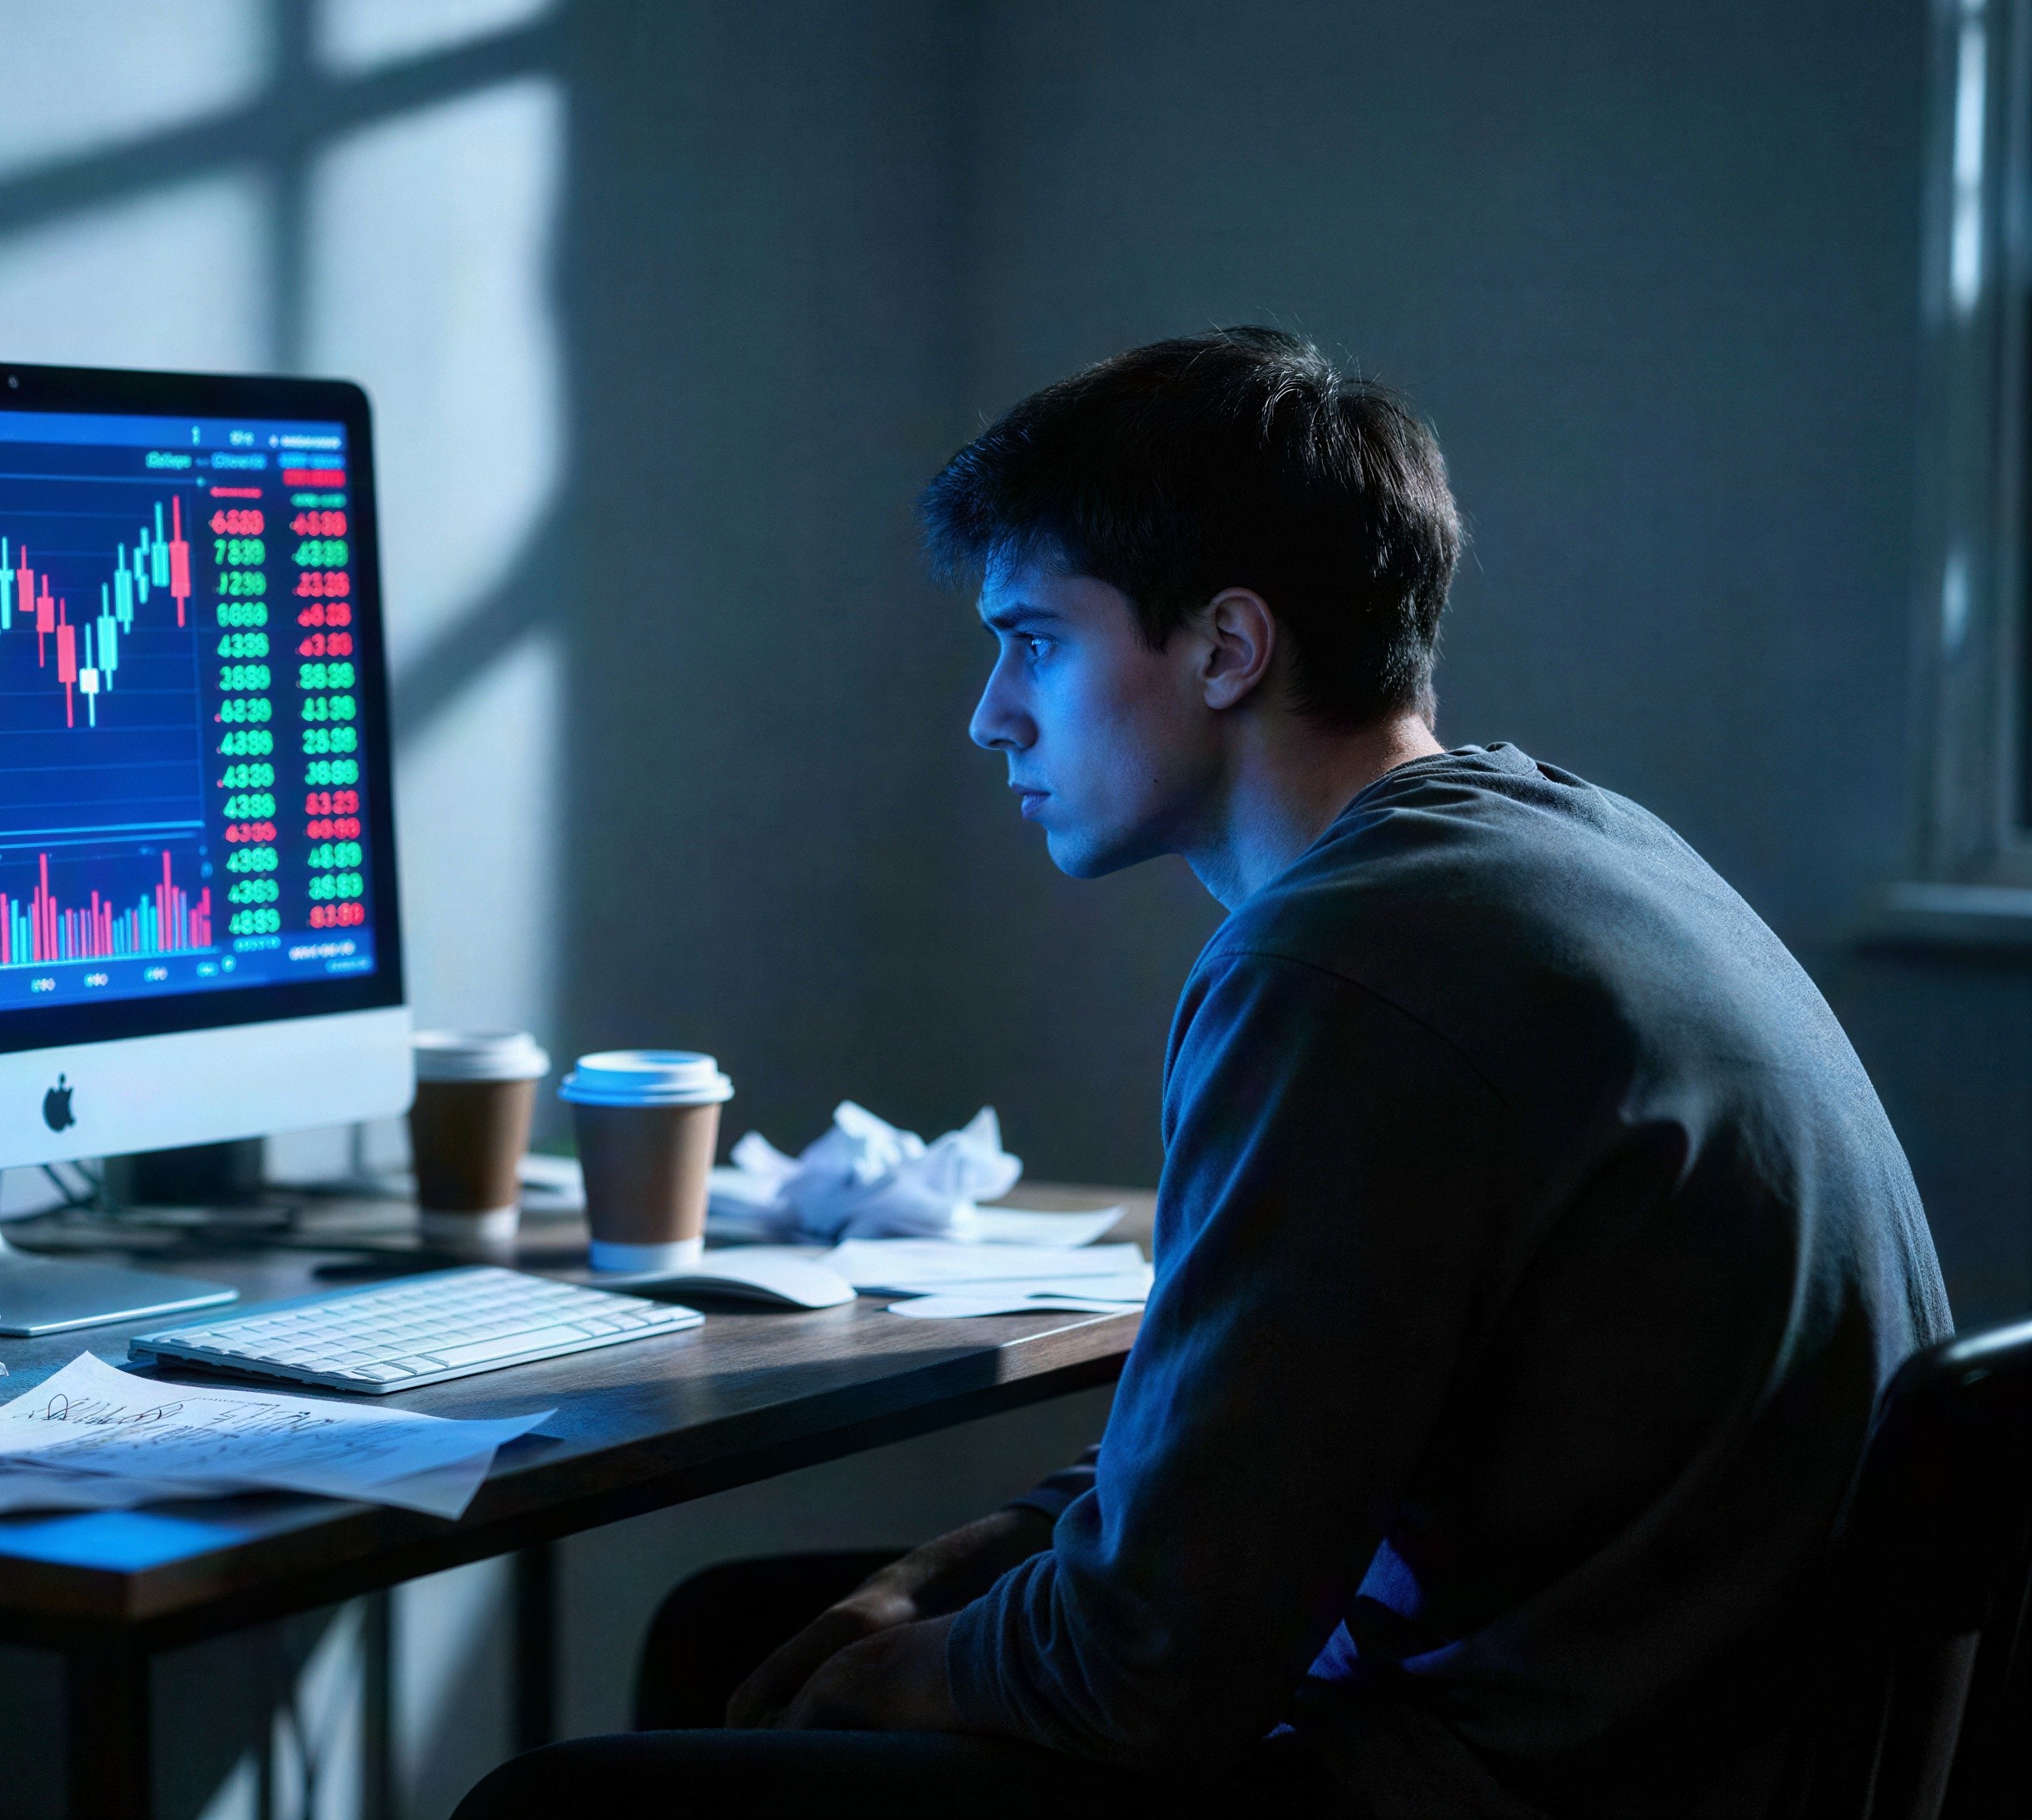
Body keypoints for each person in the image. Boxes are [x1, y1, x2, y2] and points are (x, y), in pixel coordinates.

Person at [457, 328, 1948, 1820]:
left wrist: (897, 1672)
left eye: (1034, 639)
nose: (992, 711)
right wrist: (930, 1586)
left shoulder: (1343, 969)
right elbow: (1230, 1475)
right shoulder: (1557, 844)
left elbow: (1149, 1674)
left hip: (1530, 1782)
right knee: (741, 1631)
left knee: (555, 1800)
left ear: (1229, 648)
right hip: (1688, 1725)